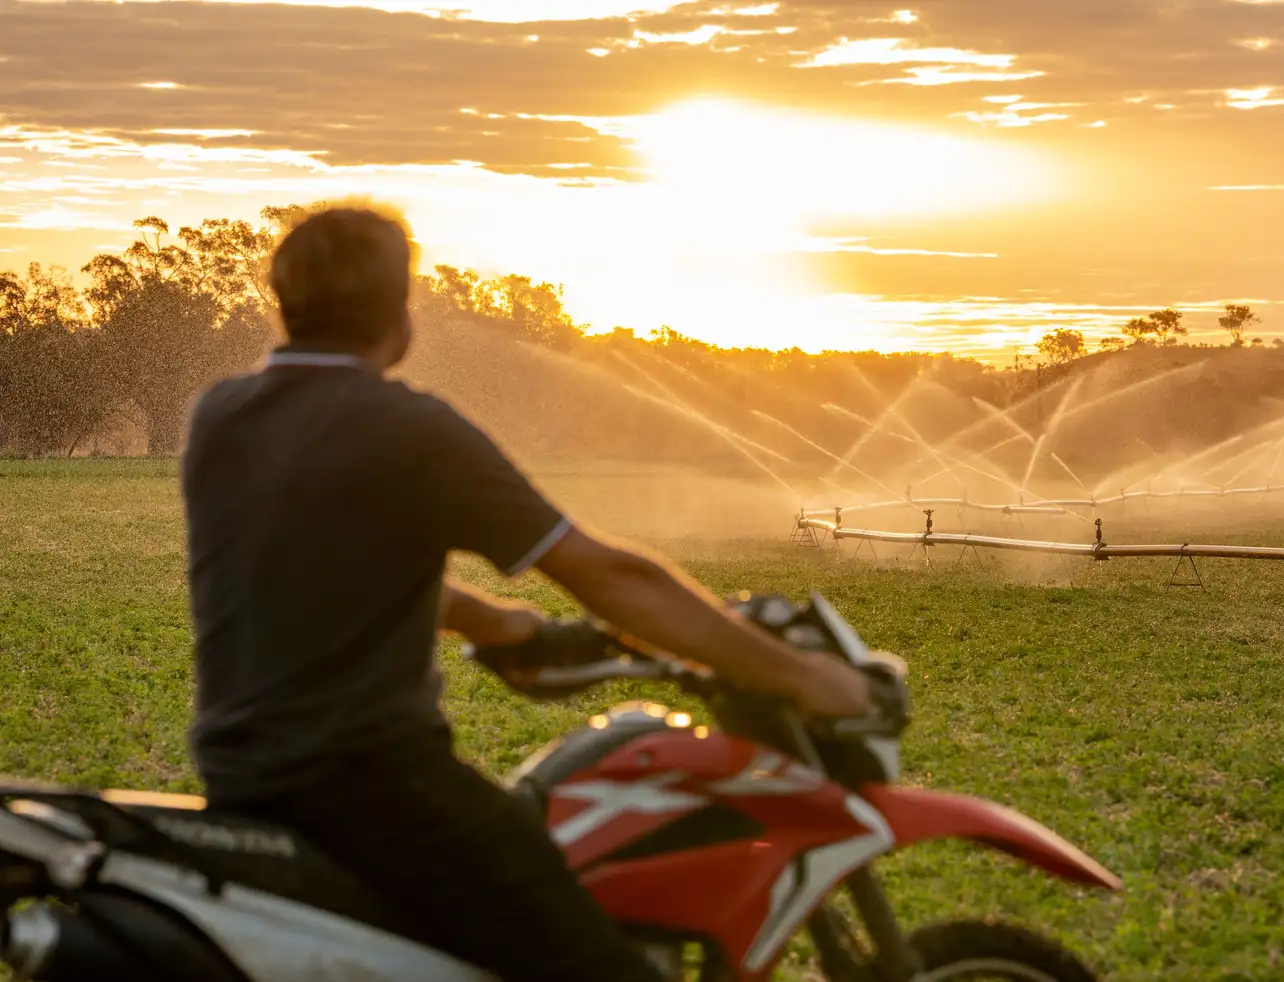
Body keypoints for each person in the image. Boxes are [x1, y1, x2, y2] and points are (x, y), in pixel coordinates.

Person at [180, 205, 874, 982]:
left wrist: (490, 621)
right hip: (376, 786)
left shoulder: (222, 415)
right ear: (400, 311)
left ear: (283, 301)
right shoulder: (409, 430)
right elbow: (607, 575)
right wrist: (805, 674)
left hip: (240, 772)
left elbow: (322, 559)